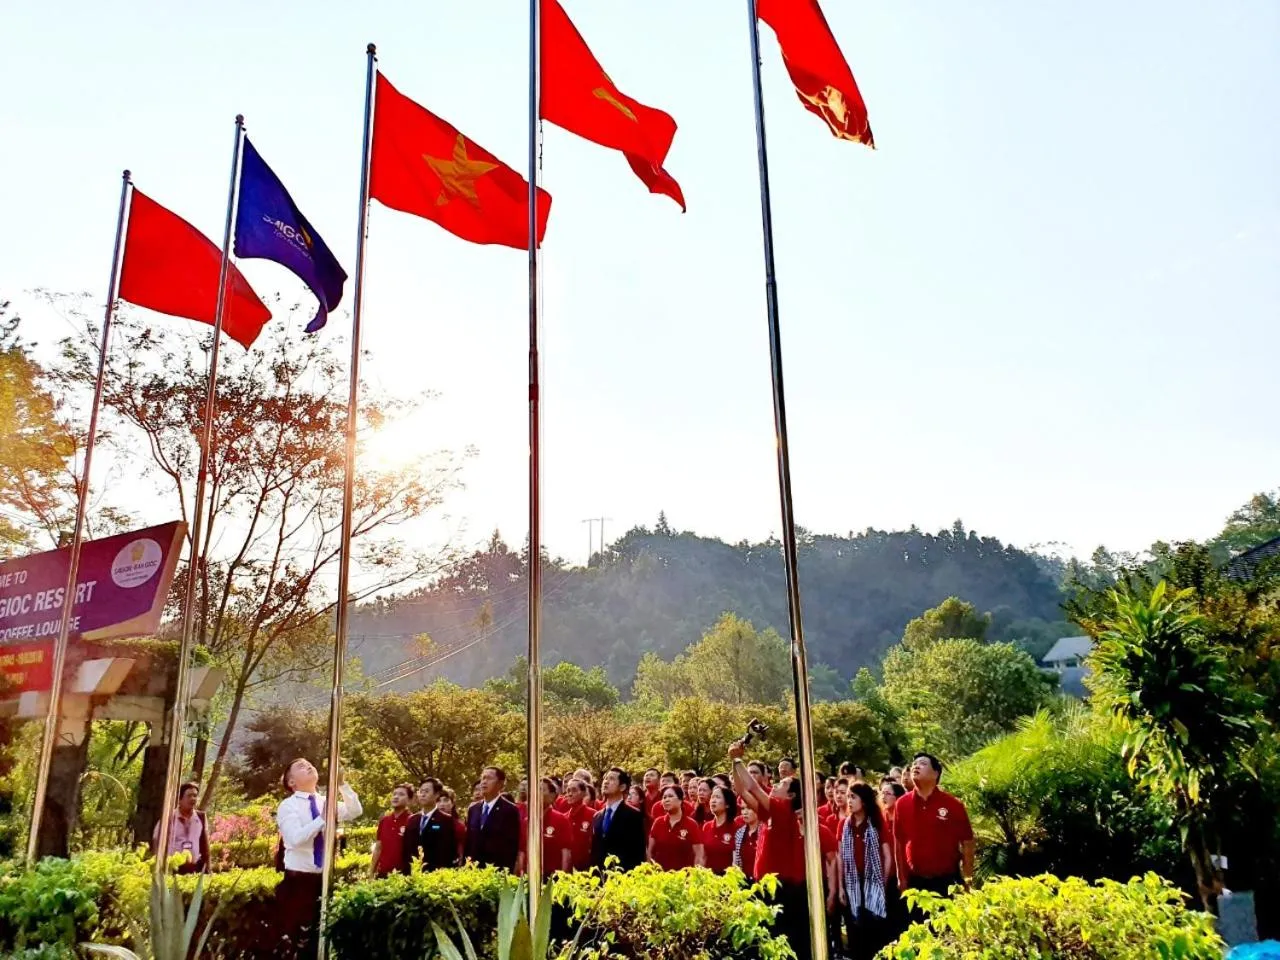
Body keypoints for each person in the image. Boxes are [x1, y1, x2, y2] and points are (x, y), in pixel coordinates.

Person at [275, 758, 362, 957]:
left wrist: (341, 784)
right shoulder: (288, 806)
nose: (308, 766)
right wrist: (322, 819)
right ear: (291, 782)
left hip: (323, 879)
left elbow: (355, 811)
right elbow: (295, 839)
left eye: (309, 764)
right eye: (300, 766)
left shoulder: (326, 802)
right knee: (298, 943)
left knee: (321, 938)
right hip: (299, 882)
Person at [731, 742, 810, 959]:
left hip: (784, 887)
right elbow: (742, 790)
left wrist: (738, 760)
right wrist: (734, 763)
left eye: (782, 784)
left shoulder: (785, 812)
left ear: (791, 795)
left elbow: (754, 787)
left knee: (782, 940)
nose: (775, 785)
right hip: (766, 885)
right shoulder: (770, 813)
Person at [893, 753, 974, 907]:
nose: (915, 766)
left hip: (947, 881)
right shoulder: (902, 804)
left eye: (922, 763)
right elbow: (898, 841)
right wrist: (900, 877)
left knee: (946, 928)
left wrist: (968, 877)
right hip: (915, 882)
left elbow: (968, 842)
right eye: (914, 763)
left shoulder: (953, 805)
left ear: (935, 773)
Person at [838, 782, 893, 960]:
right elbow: (839, 858)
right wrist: (840, 888)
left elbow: (887, 855)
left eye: (853, 797)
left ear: (865, 800)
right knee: (855, 933)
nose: (849, 801)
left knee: (874, 934)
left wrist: (883, 884)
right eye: (848, 797)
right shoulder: (844, 825)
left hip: (873, 884)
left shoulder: (876, 823)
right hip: (851, 884)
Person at [465, 765, 521, 870]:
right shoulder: (473, 809)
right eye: (483, 778)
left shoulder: (509, 810)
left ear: (500, 784)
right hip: (473, 871)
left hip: (496, 870)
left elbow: (511, 846)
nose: (484, 782)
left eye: (489, 778)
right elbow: (469, 842)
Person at [592, 767, 646, 871]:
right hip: (600, 878)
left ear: (622, 787)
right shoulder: (597, 816)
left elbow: (638, 852)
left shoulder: (633, 815)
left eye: (611, 779)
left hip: (623, 877)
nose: (606, 782)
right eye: (605, 779)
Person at [152, 781, 209, 874]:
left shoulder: (201, 817)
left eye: (195, 795)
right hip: (174, 869)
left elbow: (205, 847)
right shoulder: (168, 818)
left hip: (195, 869)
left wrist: (208, 869)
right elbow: (156, 840)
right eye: (189, 796)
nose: (193, 799)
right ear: (180, 799)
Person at [520, 777, 572, 878]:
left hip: (552, 878)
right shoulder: (527, 821)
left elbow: (566, 853)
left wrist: (563, 878)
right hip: (529, 877)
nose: (536, 794)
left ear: (552, 795)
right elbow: (522, 852)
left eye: (541, 790)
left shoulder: (561, 819)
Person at [404, 777, 458, 872]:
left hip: (435, 876)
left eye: (427, 791)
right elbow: (406, 850)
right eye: (421, 791)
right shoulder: (412, 819)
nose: (423, 794)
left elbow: (448, 851)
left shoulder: (445, 820)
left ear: (436, 794)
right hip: (412, 875)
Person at [648, 785, 703, 870]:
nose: (666, 800)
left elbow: (699, 854)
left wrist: (695, 876)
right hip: (660, 877)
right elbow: (650, 851)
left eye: (670, 796)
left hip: (683, 878)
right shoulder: (658, 822)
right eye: (664, 797)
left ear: (680, 800)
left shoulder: (691, 824)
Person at [372, 783, 414, 877]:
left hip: (403, 877)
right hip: (382, 874)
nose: (396, 797)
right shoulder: (384, 821)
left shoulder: (413, 820)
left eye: (401, 794)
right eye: (394, 794)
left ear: (410, 800)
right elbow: (378, 848)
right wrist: (371, 872)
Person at [701, 784, 738, 874]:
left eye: (717, 797)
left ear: (727, 804)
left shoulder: (737, 828)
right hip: (709, 879)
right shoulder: (707, 826)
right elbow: (703, 856)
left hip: (728, 880)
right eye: (712, 797)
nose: (713, 800)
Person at [562, 778, 596, 870]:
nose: (570, 794)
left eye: (574, 790)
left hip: (587, 871)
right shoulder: (563, 818)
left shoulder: (594, 815)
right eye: (568, 791)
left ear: (584, 793)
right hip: (566, 872)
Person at [733, 803, 762, 882]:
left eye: (749, 808)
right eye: (743, 809)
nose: (745, 812)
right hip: (744, 882)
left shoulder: (765, 832)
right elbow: (736, 862)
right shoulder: (739, 833)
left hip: (763, 882)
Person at [437, 787, 467, 865]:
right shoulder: (428, 822)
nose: (442, 804)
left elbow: (461, 851)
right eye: (438, 801)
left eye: (446, 800)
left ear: (453, 803)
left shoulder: (459, 826)